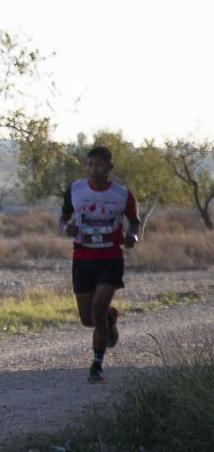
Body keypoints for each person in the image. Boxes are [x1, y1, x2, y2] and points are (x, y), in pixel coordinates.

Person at [59, 146, 140, 384]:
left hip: (110, 258)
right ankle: (110, 321)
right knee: (88, 318)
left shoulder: (122, 194)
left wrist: (132, 237)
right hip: (83, 258)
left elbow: (134, 222)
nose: (94, 169)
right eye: (90, 164)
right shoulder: (75, 190)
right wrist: (67, 228)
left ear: (109, 168)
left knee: (96, 309)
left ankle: (97, 364)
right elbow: (63, 217)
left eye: (99, 165)